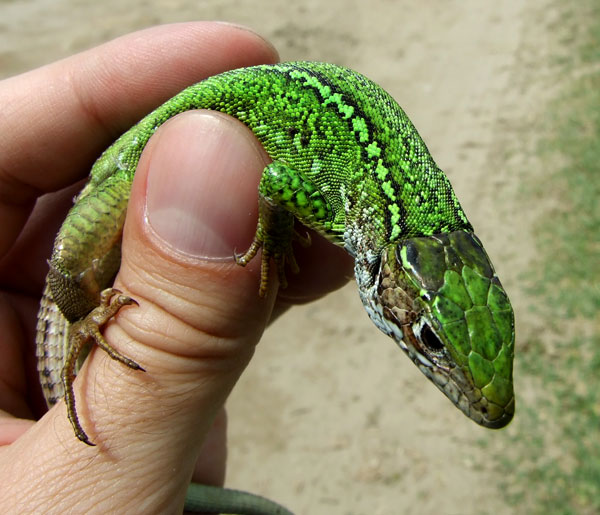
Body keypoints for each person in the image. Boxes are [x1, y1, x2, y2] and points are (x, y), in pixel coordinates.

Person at [0, 21, 352, 511]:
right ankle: (81, 321)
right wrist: (84, 314)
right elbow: (64, 270)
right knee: (66, 265)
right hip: (122, 170)